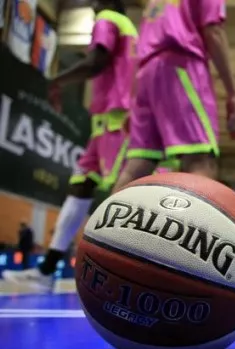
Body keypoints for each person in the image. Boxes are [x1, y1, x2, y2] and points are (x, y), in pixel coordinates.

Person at [2, 0, 137, 291]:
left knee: (121, 196)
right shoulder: (129, 28)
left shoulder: (109, 18)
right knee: (80, 189)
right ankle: (46, 271)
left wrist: (56, 80)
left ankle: (126, 274)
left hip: (117, 121)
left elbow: (96, 61)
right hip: (103, 124)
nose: (92, 3)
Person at [111, 0, 235, 191]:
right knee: (200, 159)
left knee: (138, 165)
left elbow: (141, 48)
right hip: (180, 66)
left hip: (145, 74)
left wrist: (134, 98)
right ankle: (194, 212)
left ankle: (111, 212)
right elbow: (214, 32)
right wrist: (232, 93)